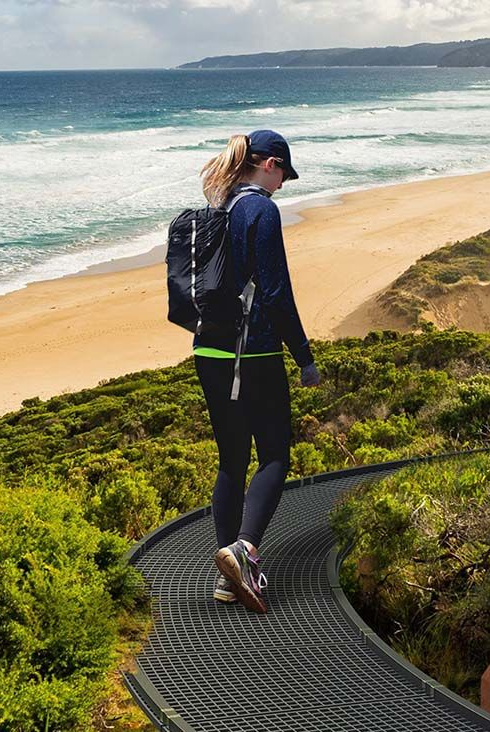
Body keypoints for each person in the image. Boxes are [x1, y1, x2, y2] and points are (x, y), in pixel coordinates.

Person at [194, 129, 322, 614]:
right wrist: (304, 356)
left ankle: (228, 581)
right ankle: (245, 549)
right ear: (267, 164)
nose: (283, 185)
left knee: (231, 460)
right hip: (256, 353)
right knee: (274, 456)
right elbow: (275, 293)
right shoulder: (259, 210)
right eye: (283, 174)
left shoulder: (217, 210)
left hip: (209, 350)